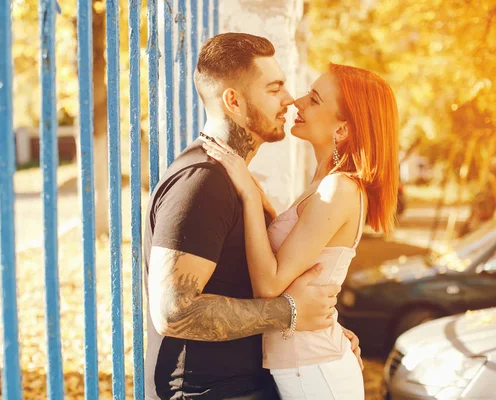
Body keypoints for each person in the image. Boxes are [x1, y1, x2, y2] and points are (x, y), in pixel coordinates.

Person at [143, 33, 362, 400]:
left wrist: (325, 331)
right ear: (234, 100)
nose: (289, 99)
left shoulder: (235, 180)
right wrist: (289, 313)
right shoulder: (203, 181)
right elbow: (172, 311)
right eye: (274, 88)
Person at [202, 63, 399, 399]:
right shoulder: (323, 186)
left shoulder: (339, 189)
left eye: (315, 99)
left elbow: (269, 285)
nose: (297, 102)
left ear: (342, 130)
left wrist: (249, 193)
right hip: (306, 367)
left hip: (315, 374)